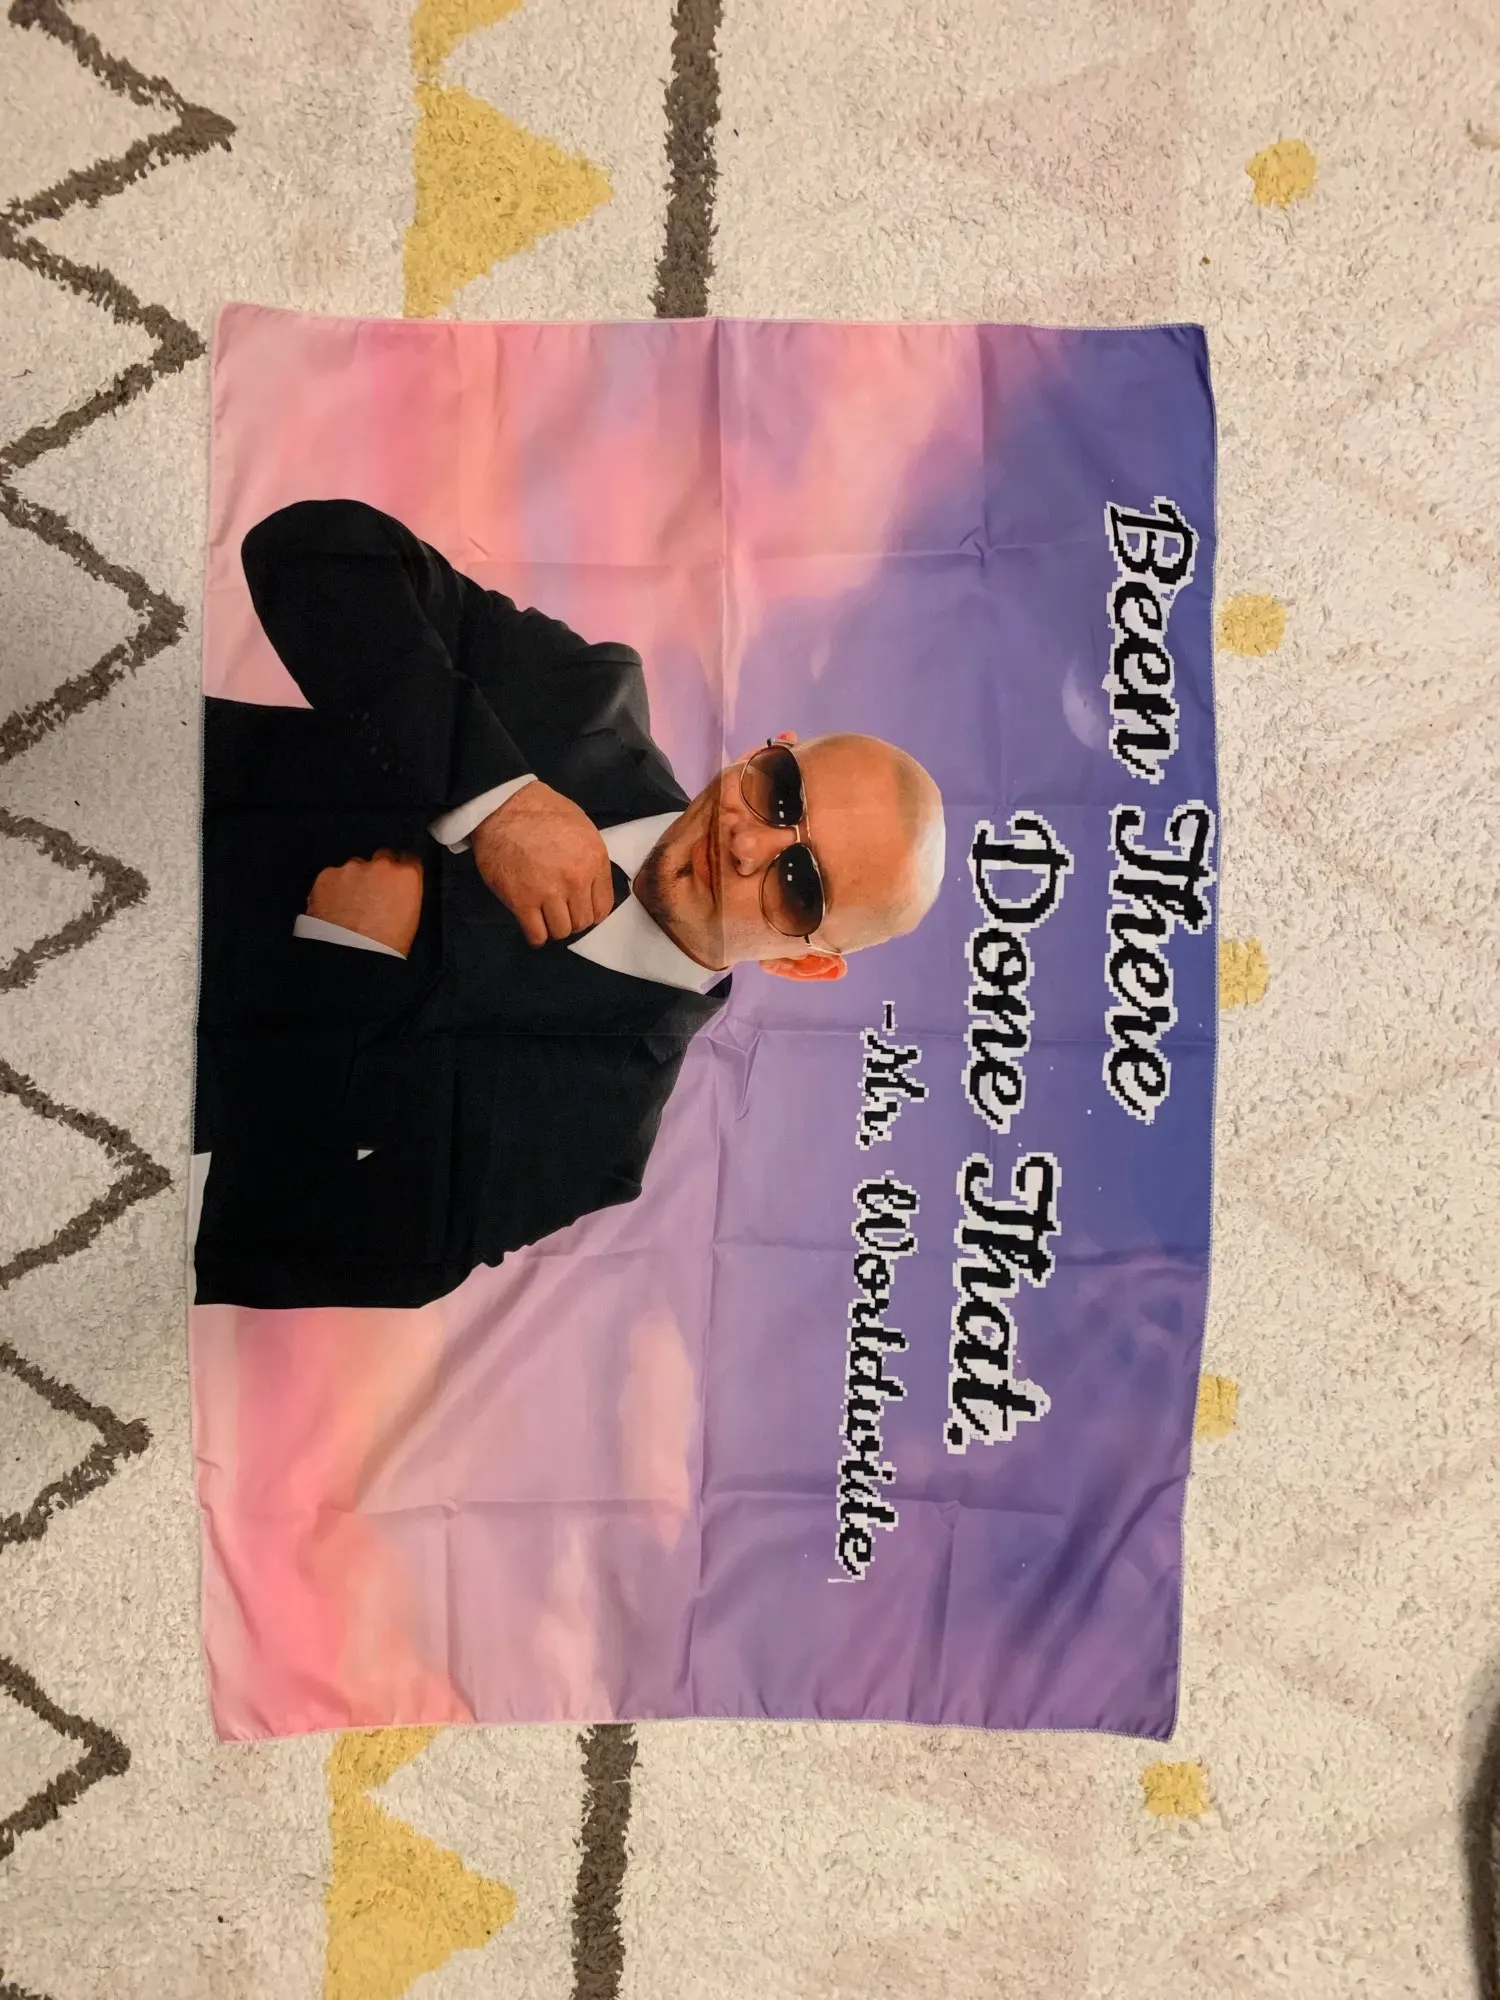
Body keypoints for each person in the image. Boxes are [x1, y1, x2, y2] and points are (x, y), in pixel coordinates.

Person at [193, 499, 945, 1311]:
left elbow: (264, 1250)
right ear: (770, 751)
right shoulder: (583, 702)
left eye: (800, 884)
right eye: (781, 793)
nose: (747, 842)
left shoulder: (593, 1135)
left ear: (804, 963)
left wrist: (349, 959)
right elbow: (309, 549)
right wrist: (492, 796)